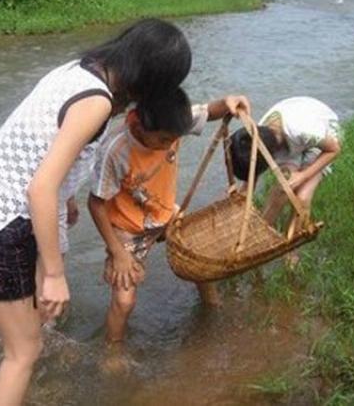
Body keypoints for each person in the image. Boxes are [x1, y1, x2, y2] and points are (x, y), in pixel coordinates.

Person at [0, 18, 192, 406]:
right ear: (151, 80)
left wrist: (67, 195)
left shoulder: (82, 68)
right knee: (22, 354)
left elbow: (44, 142)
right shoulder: (97, 101)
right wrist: (56, 275)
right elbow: (39, 187)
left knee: (29, 333)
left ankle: (40, 386)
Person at [88, 88, 250, 365]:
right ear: (138, 124)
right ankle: (112, 352)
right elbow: (96, 203)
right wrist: (118, 252)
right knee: (124, 300)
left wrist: (227, 103)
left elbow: (209, 111)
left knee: (200, 258)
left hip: (165, 213)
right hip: (129, 228)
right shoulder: (115, 150)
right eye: (164, 139)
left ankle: (212, 308)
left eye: (175, 138)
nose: (170, 144)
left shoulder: (174, 122)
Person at [230, 96, 342, 268]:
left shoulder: (303, 131)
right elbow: (255, 166)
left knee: (302, 197)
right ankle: (258, 237)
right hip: (289, 143)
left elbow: (334, 149)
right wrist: (246, 189)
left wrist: (303, 176)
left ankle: (291, 247)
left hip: (323, 137)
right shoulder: (257, 136)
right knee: (283, 188)